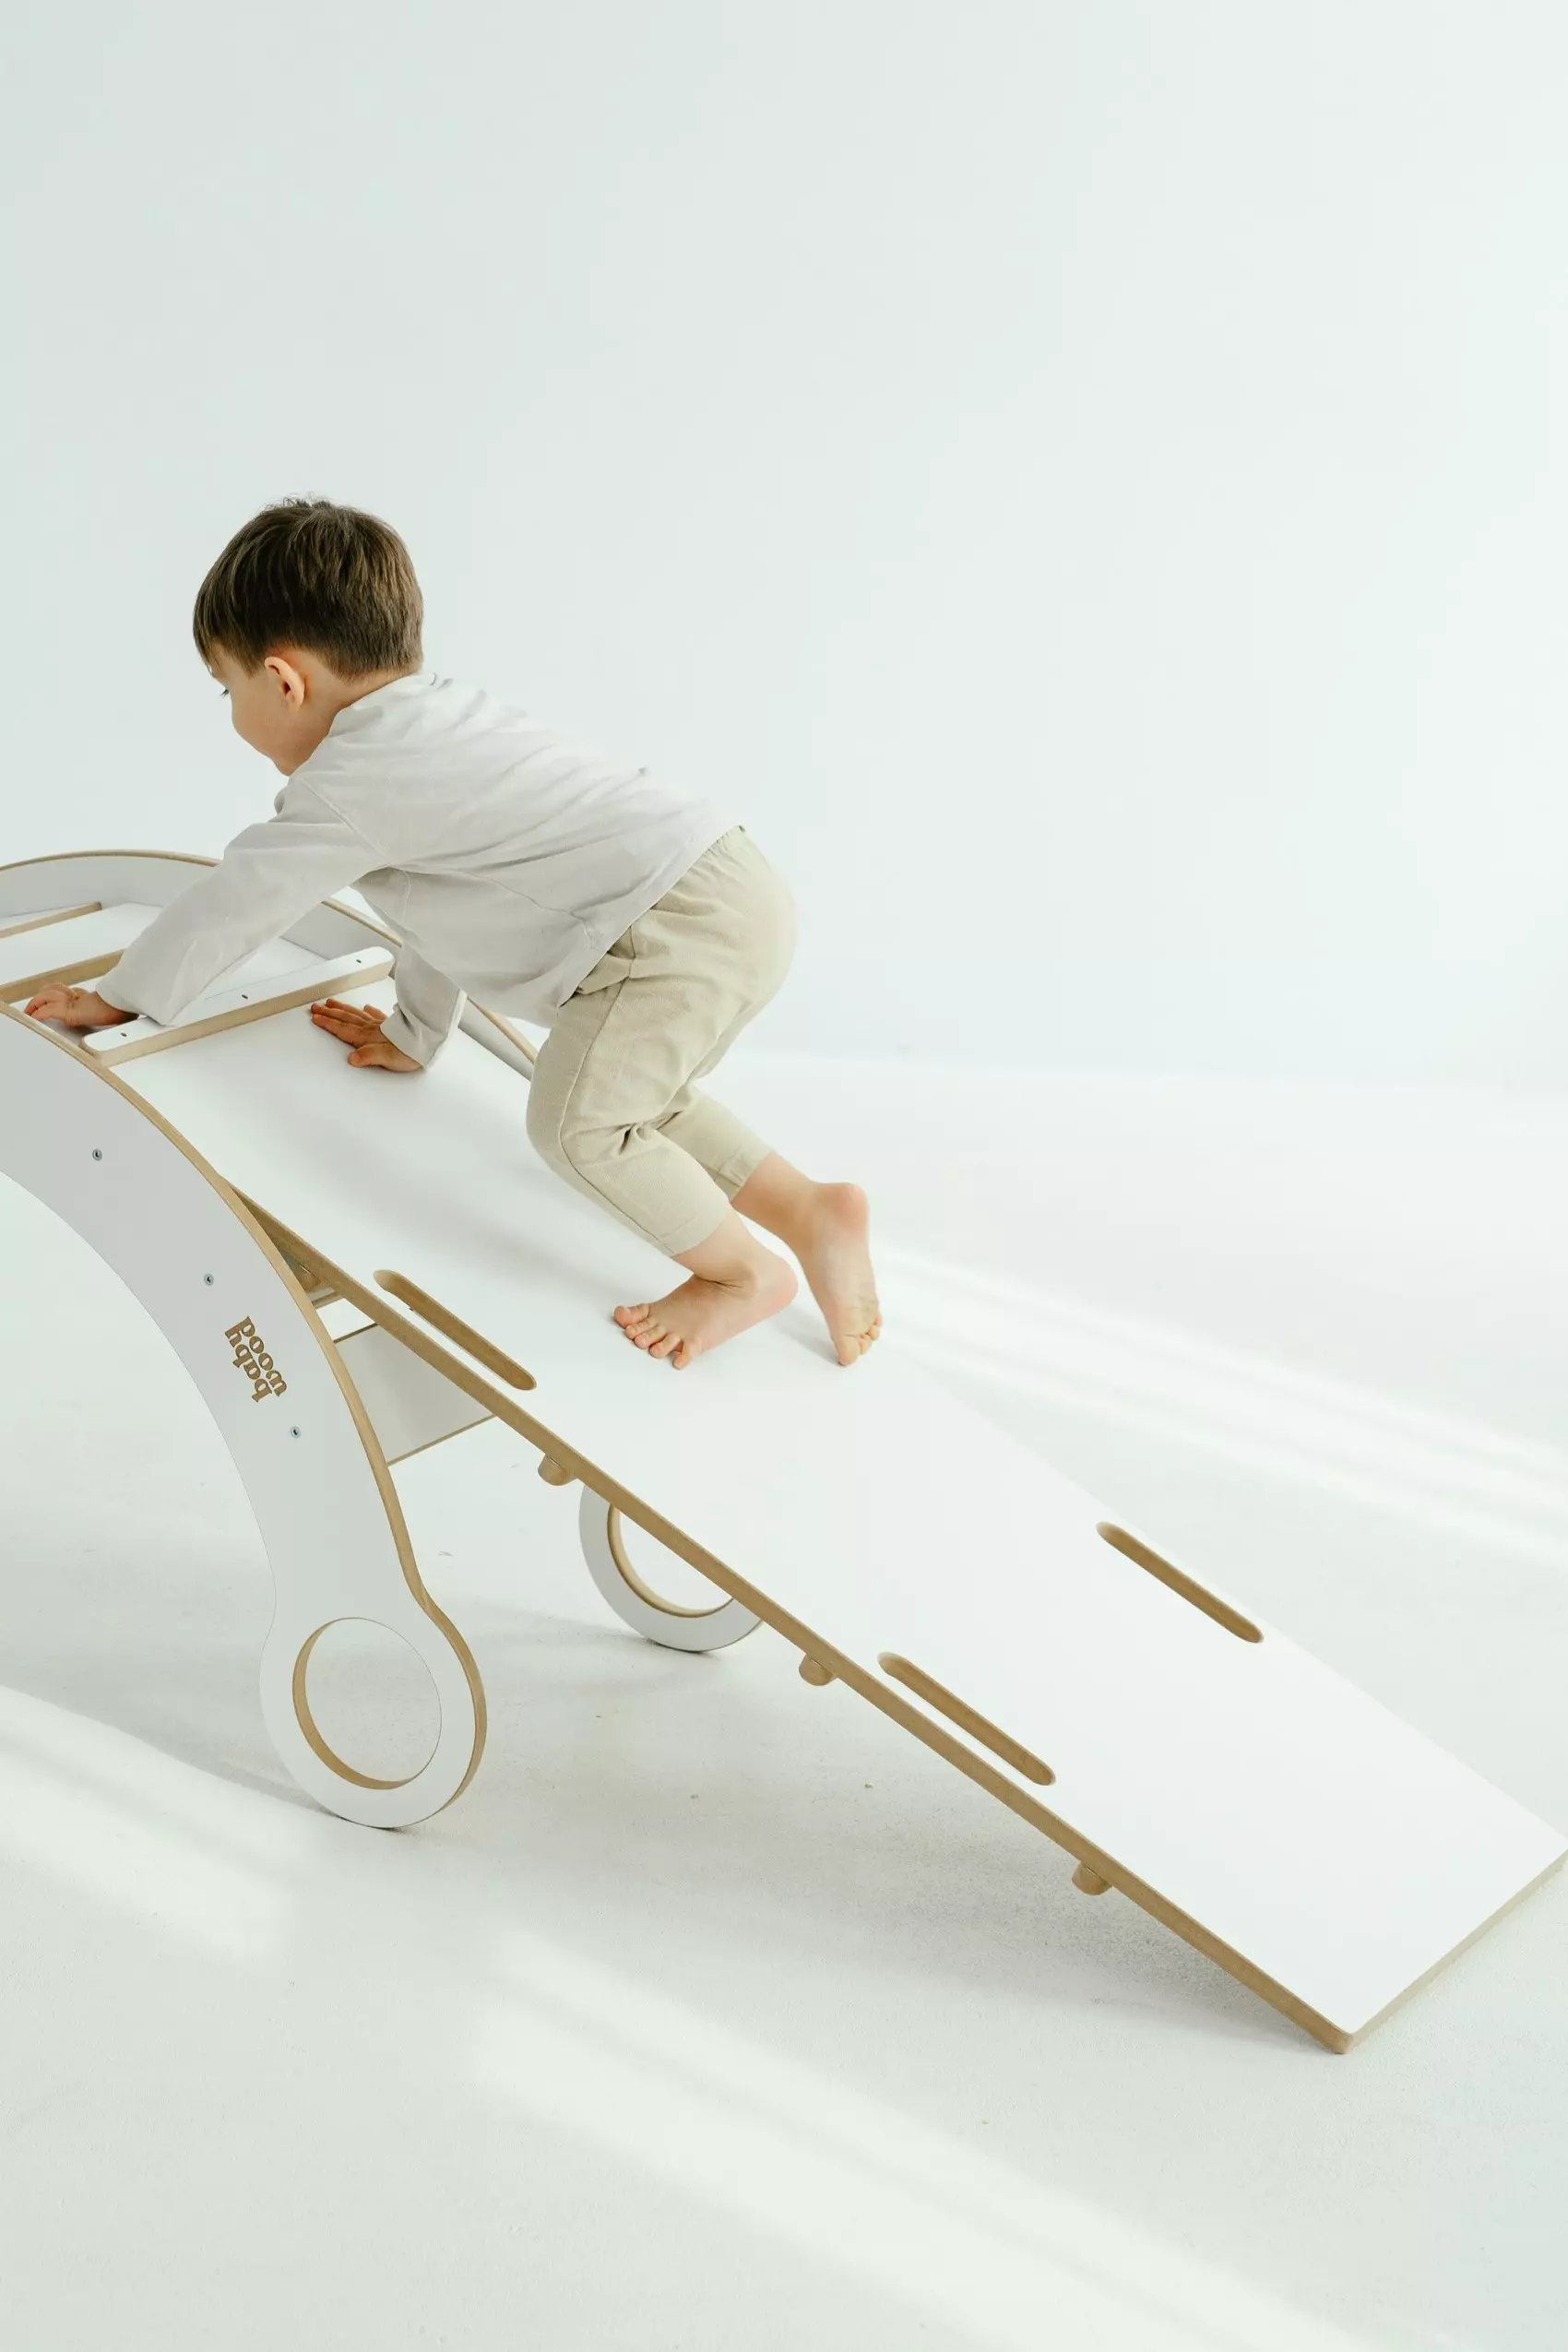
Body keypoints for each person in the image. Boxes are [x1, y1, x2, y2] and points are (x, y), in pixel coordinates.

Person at [26, 498, 880, 1372]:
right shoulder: (437, 723)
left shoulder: (352, 781)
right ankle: (811, 1209)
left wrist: (120, 996)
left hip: (668, 924)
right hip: (728, 887)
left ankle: (742, 1274)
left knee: (577, 1126)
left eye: (226, 687)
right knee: (633, 1093)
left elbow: (241, 897)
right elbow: (440, 908)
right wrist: (416, 1031)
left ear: (283, 681)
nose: (230, 708)